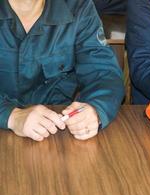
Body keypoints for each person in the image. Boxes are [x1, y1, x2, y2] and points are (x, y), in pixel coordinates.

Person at [0, 0, 124, 141]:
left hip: (58, 130)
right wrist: (11, 116)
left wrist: (95, 108)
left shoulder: (78, 7)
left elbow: (104, 72)